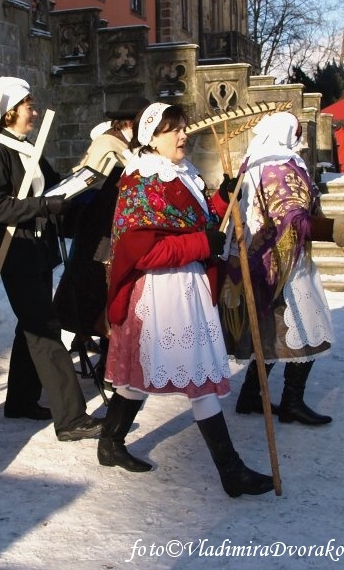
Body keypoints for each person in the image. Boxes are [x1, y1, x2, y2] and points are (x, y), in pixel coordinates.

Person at [101, 102, 273, 498]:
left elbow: (201, 227)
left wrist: (221, 202)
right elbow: (139, 253)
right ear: (152, 137)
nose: (183, 136)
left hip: (187, 287)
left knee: (144, 379)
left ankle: (111, 441)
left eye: (183, 128)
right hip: (159, 294)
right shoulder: (140, 181)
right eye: (172, 130)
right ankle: (231, 471)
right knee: (196, 381)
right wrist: (201, 243)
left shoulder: (184, 174)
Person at [223, 112, 344, 425]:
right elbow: (292, 220)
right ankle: (291, 402)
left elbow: (298, 208)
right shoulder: (280, 165)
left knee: (273, 331)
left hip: (259, 259)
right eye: (297, 133)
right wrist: (339, 229)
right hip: (283, 262)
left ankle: (251, 395)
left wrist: (319, 213)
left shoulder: (255, 161)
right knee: (306, 329)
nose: (301, 140)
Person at [0, 76, 102, 442]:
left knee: (29, 326)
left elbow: (53, 184)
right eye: (29, 105)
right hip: (17, 253)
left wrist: (83, 184)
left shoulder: (28, 146)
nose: (34, 110)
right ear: (10, 110)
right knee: (44, 330)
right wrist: (45, 204)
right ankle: (72, 417)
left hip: (38, 250)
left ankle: (21, 400)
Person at [54, 95, 150, 347]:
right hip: (97, 225)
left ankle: (90, 335)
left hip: (116, 224)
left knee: (104, 284)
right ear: (130, 123)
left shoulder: (129, 148)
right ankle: (86, 333)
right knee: (93, 280)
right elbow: (87, 185)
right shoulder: (106, 144)